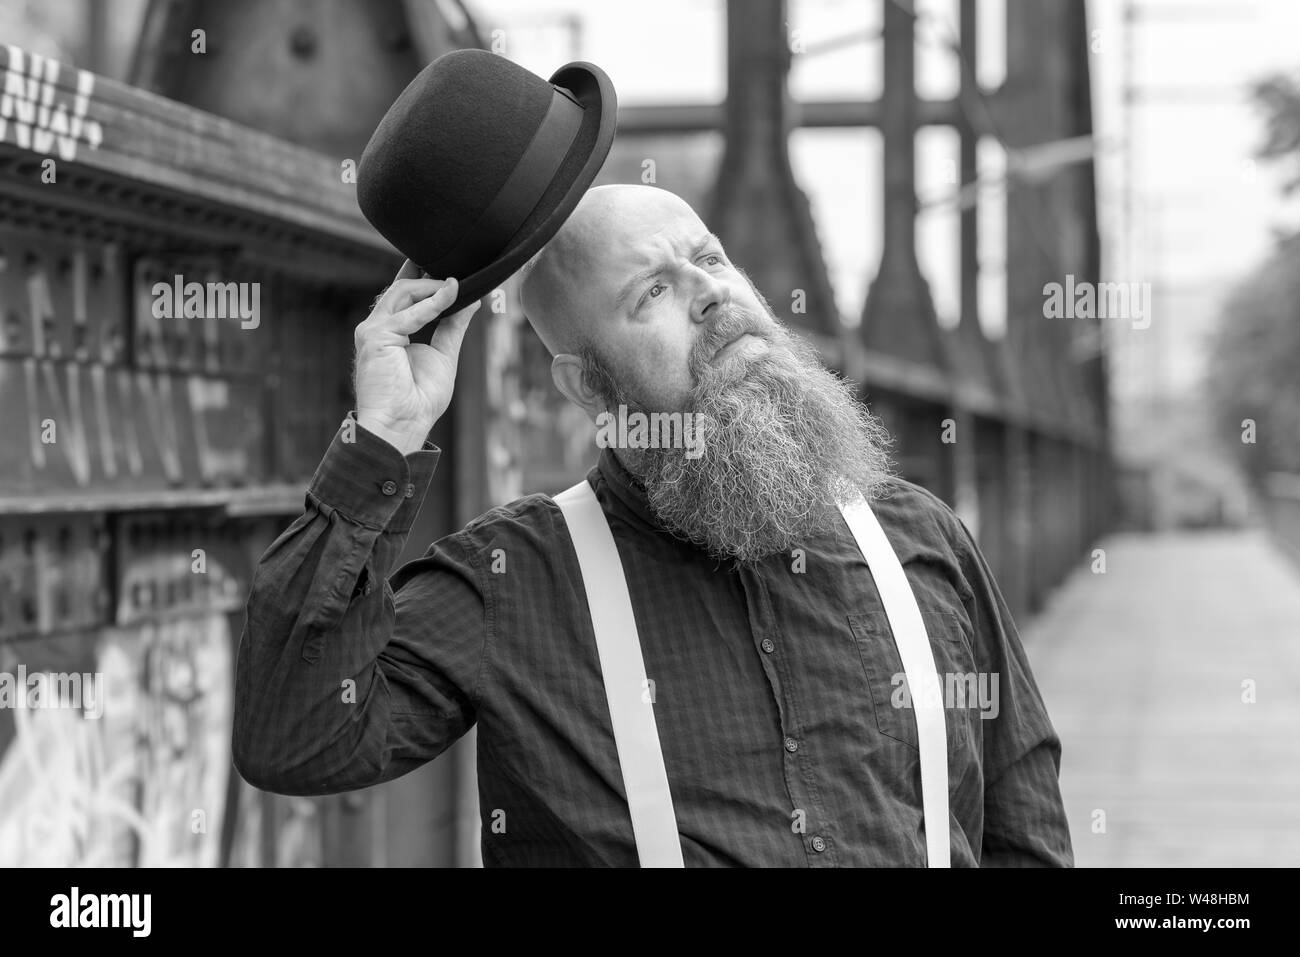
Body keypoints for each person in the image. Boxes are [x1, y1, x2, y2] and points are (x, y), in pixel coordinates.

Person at [233, 183, 1074, 867]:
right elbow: (294, 736)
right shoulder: (514, 580)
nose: (711, 294)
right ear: (590, 389)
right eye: (653, 292)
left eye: (709, 258)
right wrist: (384, 440)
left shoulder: (918, 537)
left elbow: (1024, 824)